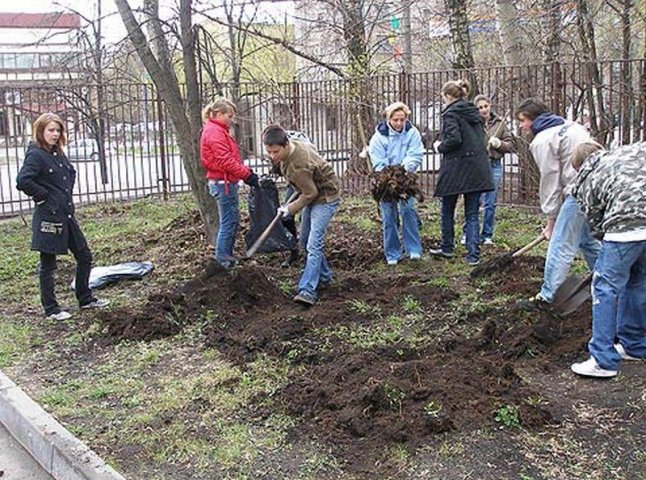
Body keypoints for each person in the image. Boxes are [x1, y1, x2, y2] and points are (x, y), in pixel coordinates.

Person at [16, 112, 109, 321]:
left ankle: (85, 298)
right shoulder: (36, 154)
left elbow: (69, 174)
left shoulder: (57, 153)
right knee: (48, 264)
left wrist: (63, 197)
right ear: (41, 131)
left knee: (84, 255)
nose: (55, 134)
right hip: (49, 216)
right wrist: (44, 197)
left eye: (58, 130)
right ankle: (51, 309)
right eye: (51, 130)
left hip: (66, 214)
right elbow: (23, 180)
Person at [569, 141, 646, 377]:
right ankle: (635, 345)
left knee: (604, 287)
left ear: (580, 166)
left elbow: (594, 221)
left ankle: (602, 360)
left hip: (625, 227)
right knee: (638, 282)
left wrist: (608, 247)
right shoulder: (628, 153)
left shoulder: (587, 178)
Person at [515, 98, 600, 311]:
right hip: (597, 188)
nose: (521, 126)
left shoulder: (543, 139)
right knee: (587, 240)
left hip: (579, 192)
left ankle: (547, 297)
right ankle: (609, 281)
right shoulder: (570, 126)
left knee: (560, 244)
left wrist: (551, 219)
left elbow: (550, 180)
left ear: (534, 119)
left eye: (523, 120)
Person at [262, 124, 341, 306]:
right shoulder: (294, 143)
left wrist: (290, 209)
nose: (272, 156)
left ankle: (308, 290)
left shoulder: (298, 165)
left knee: (314, 244)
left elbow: (310, 193)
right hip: (311, 192)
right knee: (305, 242)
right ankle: (325, 277)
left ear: (286, 145)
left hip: (325, 198)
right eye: (269, 152)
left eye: (275, 152)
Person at [429, 79, 494, 266]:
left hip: (456, 169)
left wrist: (439, 147)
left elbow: (454, 139)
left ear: (448, 96)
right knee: (472, 213)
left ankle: (447, 247)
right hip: (477, 169)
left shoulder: (451, 113)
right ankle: (473, 255)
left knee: (447, 209)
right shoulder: (474, 113)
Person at [200, 98, 259, 269]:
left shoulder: (218, 130)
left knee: (232, 220)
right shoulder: (214, 132)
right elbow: (225, 161)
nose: (231, 120)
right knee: (228, 222)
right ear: (217, 114)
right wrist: (247, 175)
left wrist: (244, 172)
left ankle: (227, 258)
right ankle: (222, 261)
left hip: (226, 181)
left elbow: (230, 159)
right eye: (229, 116)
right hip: (222, 183)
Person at [368, 102, 424, 265]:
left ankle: (413, 249)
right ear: (388, 119)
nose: (399, 124)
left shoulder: (412, 133)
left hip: (406, 179)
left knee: (408, 210)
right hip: (385, 182)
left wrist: (404, 169)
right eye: (395, 120)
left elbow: (416, 153)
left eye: (402, 120)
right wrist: (390, 174)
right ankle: (392, 253)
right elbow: (378, 161)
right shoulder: (379, 137)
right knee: (388, 215)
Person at [460, 94, 514, 245]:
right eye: (480, 108)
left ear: (490, 105)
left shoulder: (500, 123)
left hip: (494, 165)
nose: (484, 110)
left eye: (485, 106)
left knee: (490, 202)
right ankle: (468, 233)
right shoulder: (472, 123)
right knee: (473, 201)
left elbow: (510, 145)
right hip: (477, 166)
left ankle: (487, 235)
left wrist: (499, 144)